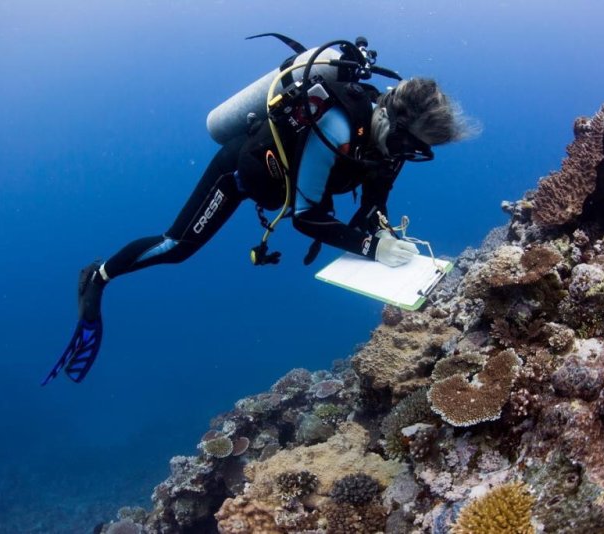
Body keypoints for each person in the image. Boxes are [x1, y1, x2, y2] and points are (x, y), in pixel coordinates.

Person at [42, 41, 473, 385]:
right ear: (392, 120)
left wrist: (382, 235)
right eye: (405, 146)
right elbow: (306, 216)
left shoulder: (389, 146)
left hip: (289, 185)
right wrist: (369, 246)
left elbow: (372, 205)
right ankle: (97, 276)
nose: (404, 157)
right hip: (241, 175)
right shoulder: (338, 124)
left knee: (360, 222)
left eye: (418, 153)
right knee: (177, 247)